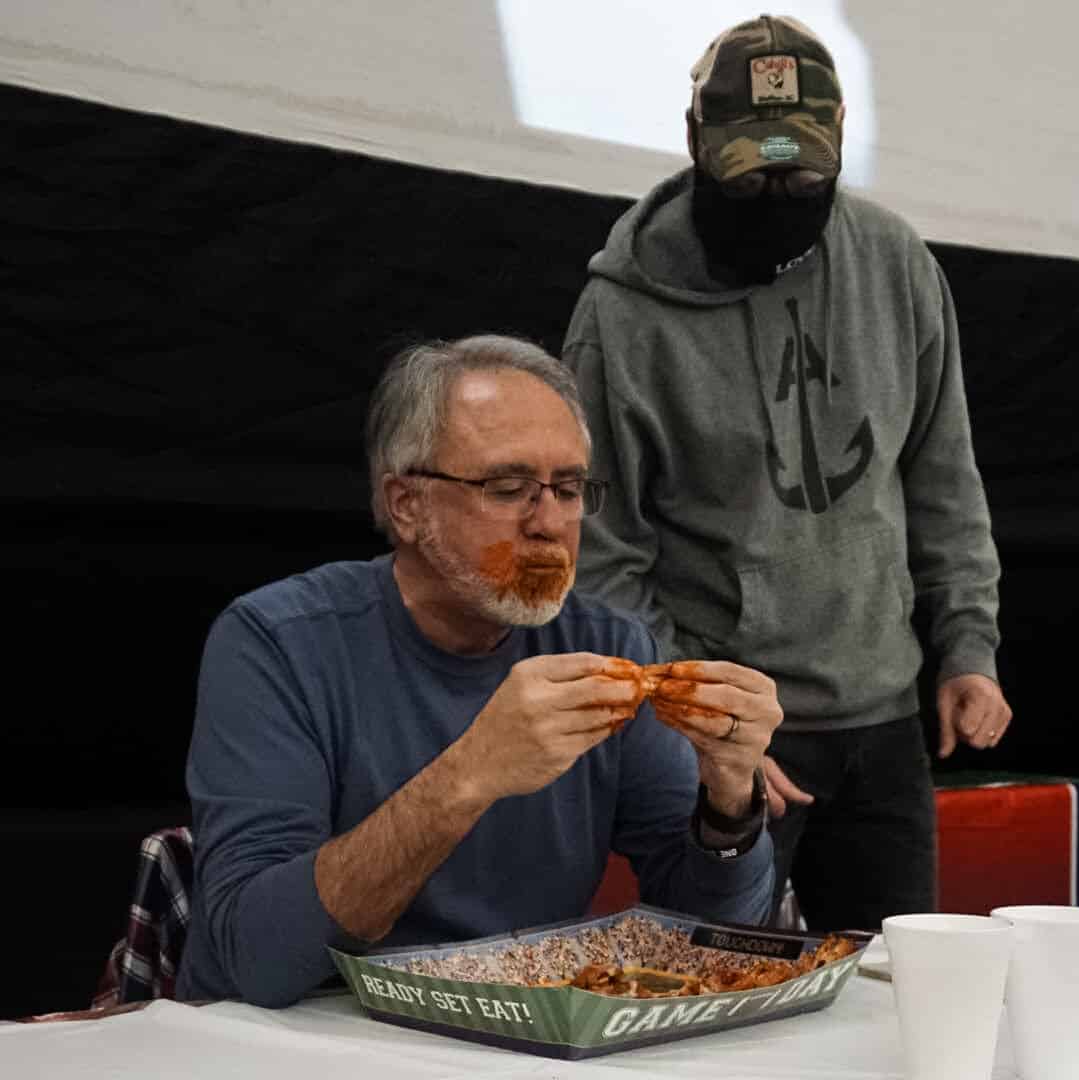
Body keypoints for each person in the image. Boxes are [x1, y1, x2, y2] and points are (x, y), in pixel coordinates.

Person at [562, 15, 1012, 932]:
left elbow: (941, 476)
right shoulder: (619, 316)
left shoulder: (897, 265)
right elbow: (602, 556)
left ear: (842, 133)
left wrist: (968, 645)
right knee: (719, 1012)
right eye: (750, 174)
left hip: (884, 724)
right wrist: (698, 713)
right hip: (727, 733)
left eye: (803, 173)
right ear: (695, 143)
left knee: (891, 1009)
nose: (777, 194)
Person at [176, 334, 781, 1007]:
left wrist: (729, 804)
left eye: (570, 488)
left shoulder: (611, 645)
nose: (549, 523)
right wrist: (470, 775)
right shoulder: (278, 644)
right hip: (305, 1036)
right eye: (508, 487)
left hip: (515, 1034)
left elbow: (714, 944)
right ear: (407, 504)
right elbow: (256, 962)